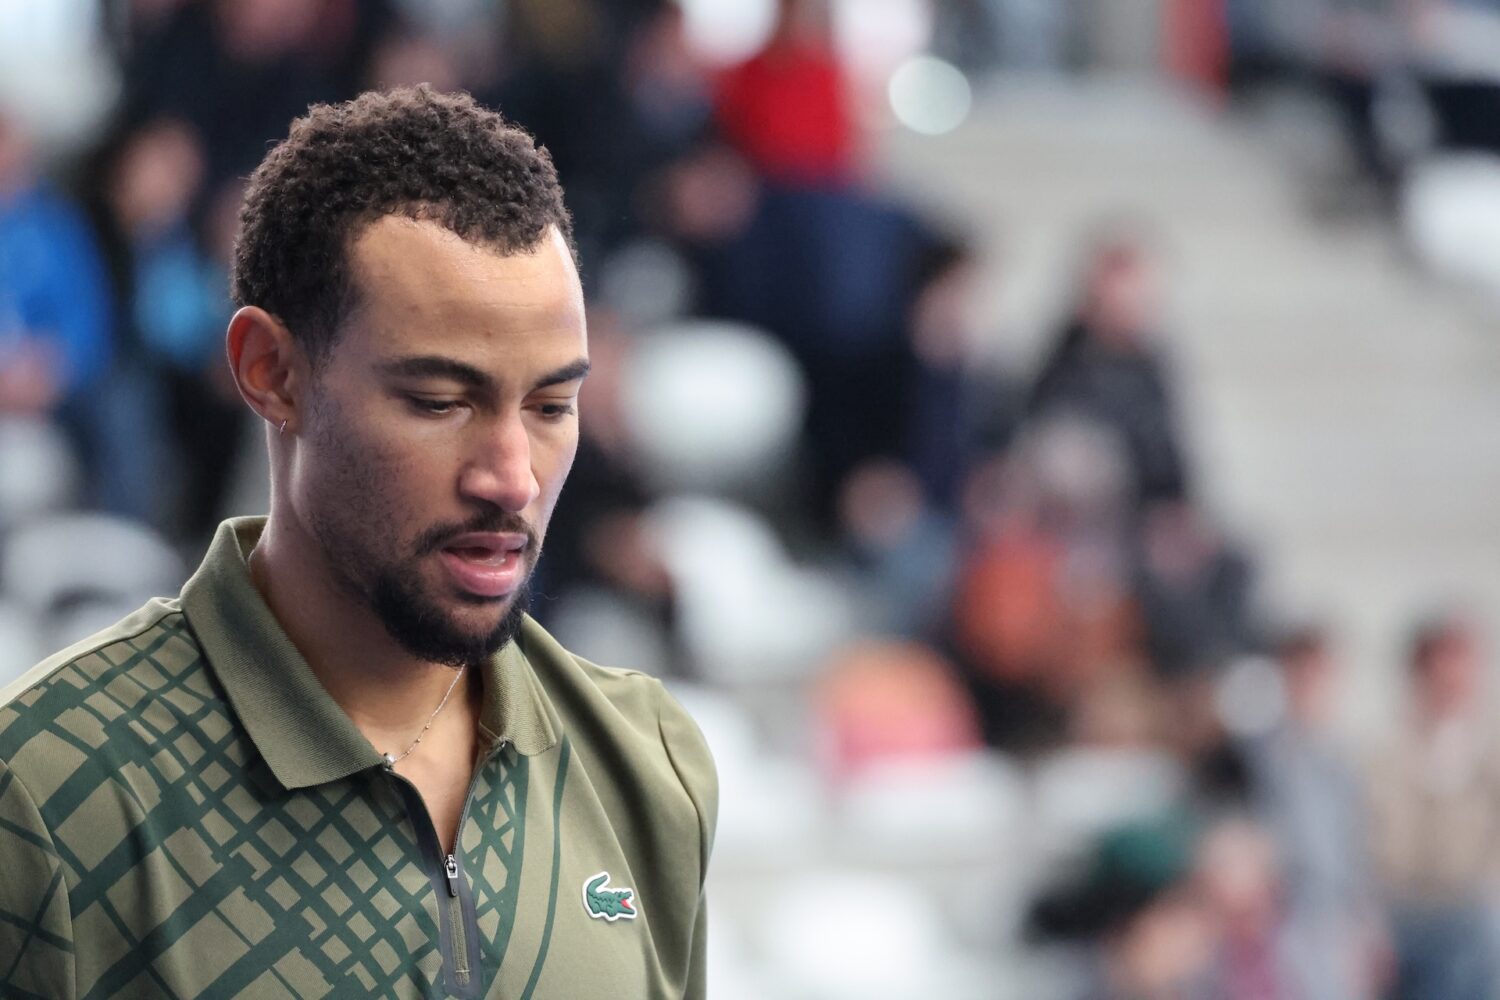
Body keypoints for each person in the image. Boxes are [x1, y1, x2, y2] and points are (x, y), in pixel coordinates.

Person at [0, 86, 717, 999]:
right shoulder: (45, 795)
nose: (512, 478)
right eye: (439, 402)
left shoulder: (648, 762)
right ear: (271, 372)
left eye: (551, 406)